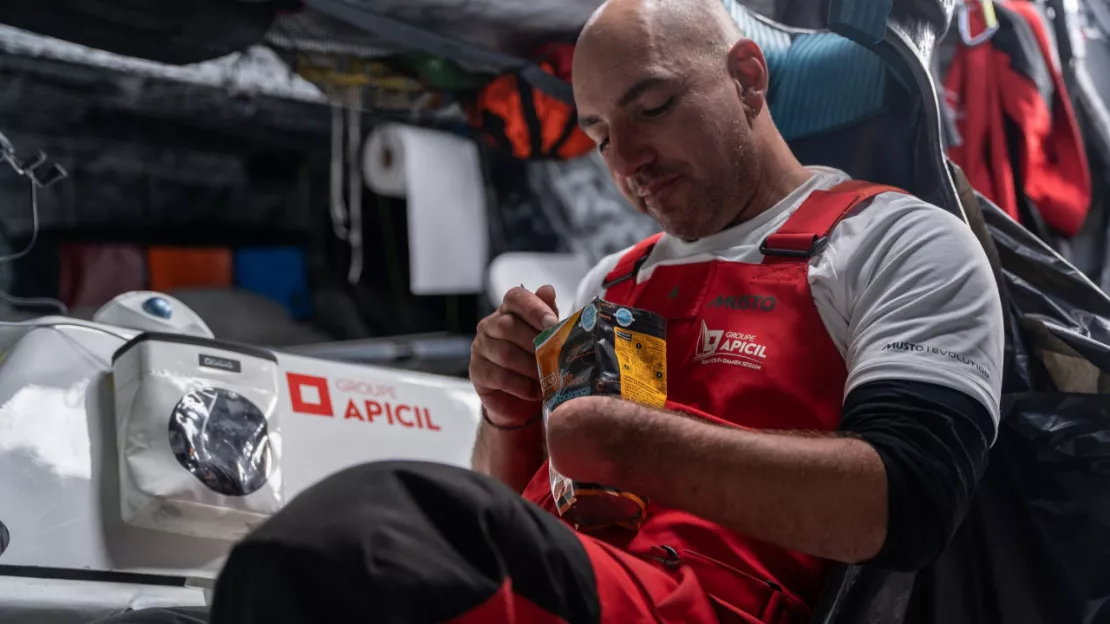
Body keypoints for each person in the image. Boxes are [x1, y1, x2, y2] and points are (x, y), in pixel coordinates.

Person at [205, 0, 1004, 622]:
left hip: (706, 605)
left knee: (359, 540)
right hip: (585, 577)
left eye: (651, 106)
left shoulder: (894, 242)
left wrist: (631, 445)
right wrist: (510, 413)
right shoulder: (613, 282)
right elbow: (525, 497)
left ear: (748, 78)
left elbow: (909, 502)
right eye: (597, 136)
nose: (626, 162)